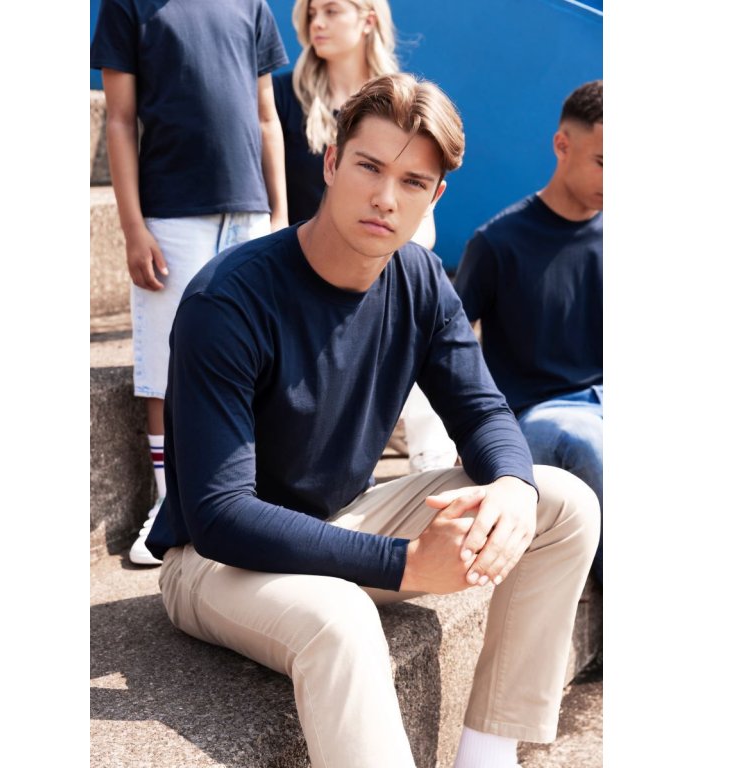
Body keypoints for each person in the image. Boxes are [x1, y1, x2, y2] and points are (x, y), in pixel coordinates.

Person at [146, 73, 599, 768]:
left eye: (413, 182)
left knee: (561, 502)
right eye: (369, 167)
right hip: (216, 562)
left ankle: (486, 754)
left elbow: (483, 410)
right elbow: (219, 513)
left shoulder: (419, 278)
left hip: (344, 520)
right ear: (332, 163)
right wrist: (407, 562)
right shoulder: (229, 300)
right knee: (342, 615)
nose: (387, 198)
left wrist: (513, 486)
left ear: (434, 197)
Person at [90, 0, 289, 565]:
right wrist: (133, 228)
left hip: (250, 215)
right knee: (167, 365)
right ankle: (170, 505)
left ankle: (255, 499)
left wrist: (279, 216)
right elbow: (119, 120)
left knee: (259, 361)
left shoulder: (250, 5)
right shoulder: (128, 6)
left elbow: (266, 117)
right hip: (171, 219)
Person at [273, 0, 456, 472]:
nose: (316, 23)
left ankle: (433, 462)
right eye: (311, 13)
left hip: (381, 263)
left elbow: (421, 209)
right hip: (306, 267)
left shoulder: (403, 102)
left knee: (415, 302)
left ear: (368, 18)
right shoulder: (282, 95)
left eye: (331, 11)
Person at [453, 80, 602, 584]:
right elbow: (444, 348)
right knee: (586, 440)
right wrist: (469, 432)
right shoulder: (498, 242)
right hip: (538, 418)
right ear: (562, 145)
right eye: (603, 161)